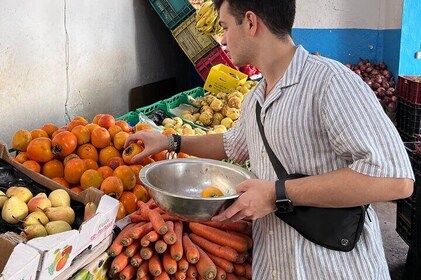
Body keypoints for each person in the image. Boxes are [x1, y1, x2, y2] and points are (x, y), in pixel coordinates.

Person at [125, 0, 414, 278]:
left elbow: (395, 180)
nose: (222, 40)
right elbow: (231, 144)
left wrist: (276, 194)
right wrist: (170, 141)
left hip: (331, 266)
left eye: (225, 27)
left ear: (250, 22)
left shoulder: (330, 83)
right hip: (276, 264)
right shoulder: (254, 100)